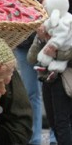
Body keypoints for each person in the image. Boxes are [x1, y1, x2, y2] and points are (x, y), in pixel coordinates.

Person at [14, 0, 55, 145]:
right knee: (31, 94)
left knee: (52, 92)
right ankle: (35, 138)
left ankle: (54, 137)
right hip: (24, 49)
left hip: (45, 49)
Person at [27, 15, 72, 144]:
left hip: (64, 78)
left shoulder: (67, 23)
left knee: (62, 122)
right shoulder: (45, 28)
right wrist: (41, 40)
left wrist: (57, 54)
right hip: (47, 78)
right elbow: (31, 58)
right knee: (54, 122)